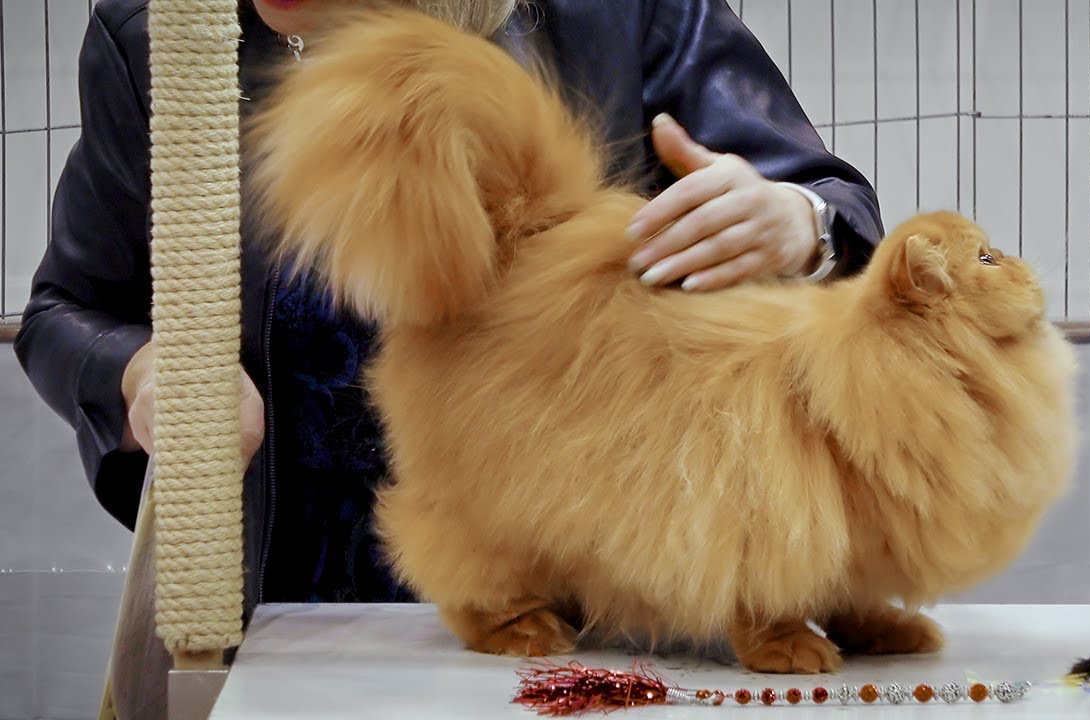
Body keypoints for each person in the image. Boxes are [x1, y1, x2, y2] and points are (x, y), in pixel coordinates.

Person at [15, 0, 883, 606]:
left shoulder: (614, 12)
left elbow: (834, 205)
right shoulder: (156, 41)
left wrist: (797, 225)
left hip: (581, 576)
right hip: (289, 602)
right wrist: (136, 370)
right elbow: (62, 310)